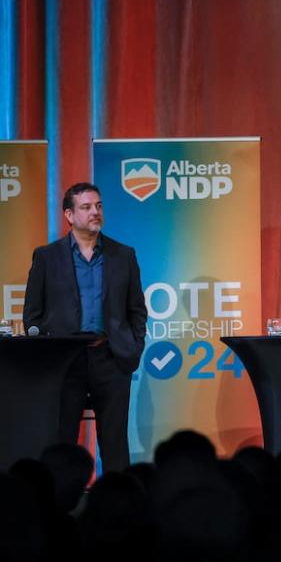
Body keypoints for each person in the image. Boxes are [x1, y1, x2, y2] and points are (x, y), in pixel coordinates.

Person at [23, 182, 147, 472]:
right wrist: (49, 354)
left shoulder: (123, 255)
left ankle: (119, 510)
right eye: (86, 207)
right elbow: (32, 315)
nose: (95, 212)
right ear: (69, 215)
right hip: (65, 363)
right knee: (62, 442)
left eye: (99, 206)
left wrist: (133, 347)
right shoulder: (46, 257)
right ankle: (57, 507)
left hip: (112, 359)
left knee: (115, 444)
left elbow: (137, 311)